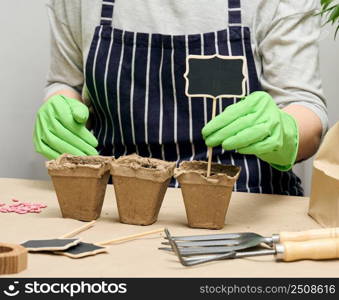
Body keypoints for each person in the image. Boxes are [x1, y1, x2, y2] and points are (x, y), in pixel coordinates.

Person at [34, 0, 327, 195]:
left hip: (243, 202)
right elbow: (66, 80)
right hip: (113, 202)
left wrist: (284, 132)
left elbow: (304, 106)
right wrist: (60, 110)